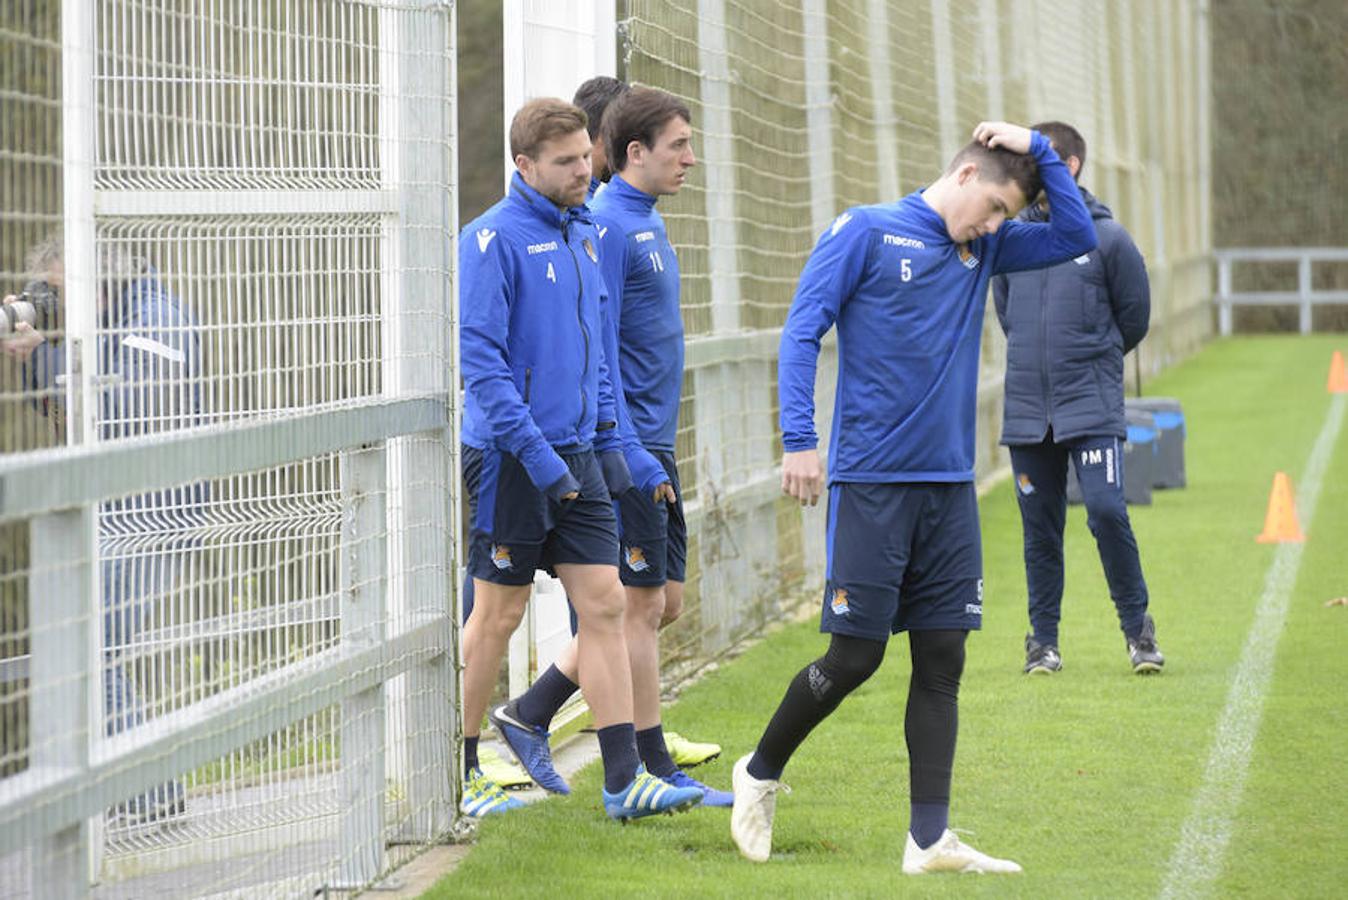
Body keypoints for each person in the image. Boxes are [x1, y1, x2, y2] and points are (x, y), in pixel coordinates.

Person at [729, 122, 1098, 872]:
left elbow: (1074, 233)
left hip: (948, 489)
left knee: (943, 657)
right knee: (855, 656)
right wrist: (799, 440)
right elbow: (802, 332)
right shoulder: (864, 232)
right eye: (992, 206)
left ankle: (929, 838)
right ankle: (759, 771)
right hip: (871, 483)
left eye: (1003, 218)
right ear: (964, 176)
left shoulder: (988, 247)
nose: (993, 227)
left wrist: (1037, 145)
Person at [457, 97, 702, 820]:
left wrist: (610, 445)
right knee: (496, 617)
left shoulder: (585, 235)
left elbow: (598, 360)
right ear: (525, 166)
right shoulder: (490, 241)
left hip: (583, 457)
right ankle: (463, 767)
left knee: (608, 603)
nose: (579, 171)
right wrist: (540, 459)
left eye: (582, 157)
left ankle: (625, 781)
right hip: (512, 460)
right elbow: (485, 370)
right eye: (564, 162)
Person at [4, 235, 204, 825]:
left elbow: (128, 406)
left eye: (59, 292)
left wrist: (45, 353)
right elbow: (72, 413)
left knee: (89, 652)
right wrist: (39, 354)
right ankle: (137, 793)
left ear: (99, 279)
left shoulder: (156, 321)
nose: (54, 304)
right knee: (88, 650)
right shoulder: (108, 327)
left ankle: (152, 794)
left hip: (148, 515)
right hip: (118, 512)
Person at [992, 121, 1163, 676]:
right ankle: (1042, 642)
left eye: (1034, 162)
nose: (1023, 175)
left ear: (1068, 169)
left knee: (1108, 512)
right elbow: (1007, 316)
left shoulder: (1108, 239)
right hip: (1027, 413)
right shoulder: (1012, 240)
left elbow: (1133, 319)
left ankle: (1138, 634)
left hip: (1091, 406)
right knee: (1039, 530)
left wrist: (1094, 357)